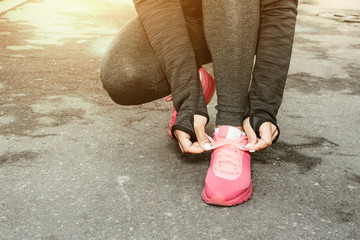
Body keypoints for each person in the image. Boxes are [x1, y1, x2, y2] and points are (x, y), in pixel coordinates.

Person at [100, 0, 298, 206]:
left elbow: (279, 5)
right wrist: (188, 98)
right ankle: (197, 83)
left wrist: (262, 106)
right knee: (123, 76)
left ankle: (232, 127)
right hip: (188, 18)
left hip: (245, 16)